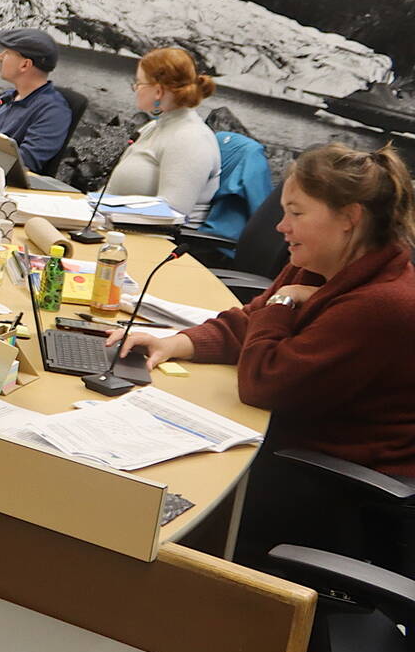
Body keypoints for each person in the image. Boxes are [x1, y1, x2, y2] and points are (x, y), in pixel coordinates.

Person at [111, 143, 415, 564]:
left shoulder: (381, 304)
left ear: (350, 218)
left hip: (335, 488)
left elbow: (263, 381)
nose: (281, 226)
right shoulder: (325, 263)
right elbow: (251, 321)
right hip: (288, 445)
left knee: (153, 508)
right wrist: (176, 342)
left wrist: (284, 301)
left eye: (296, 213)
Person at [104, 47, 221, 225]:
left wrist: (106, 210)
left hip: (154, 241)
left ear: (158, 91)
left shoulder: (190, 139)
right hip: (118, 226)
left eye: (139, 83)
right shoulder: (154, 127)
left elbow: (172, 212)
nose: (135, 88)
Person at [0, 28, 74, 173]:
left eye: (6, 53)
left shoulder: (53, 111)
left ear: (25, 65)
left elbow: (25, 161)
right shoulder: (7, 97)